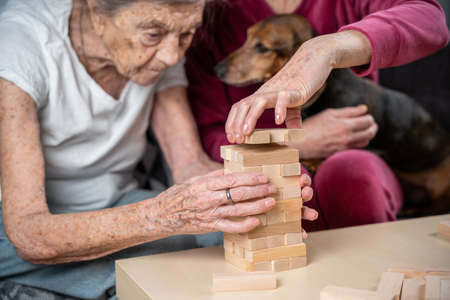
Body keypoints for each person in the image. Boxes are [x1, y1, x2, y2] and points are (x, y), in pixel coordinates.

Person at [0, 0, 315, 298]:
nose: (172, 57)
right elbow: (29, 235)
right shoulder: (19, 47)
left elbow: (189, 166)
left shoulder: (163, 43)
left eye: (187, 33)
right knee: (161, 276)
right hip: (19, 228)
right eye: (153, 34)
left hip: (117, 200)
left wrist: (261, 193)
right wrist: (164, 216)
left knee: (222, 234)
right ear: (96, 10)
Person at [186, 0, 450, 231]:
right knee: (280, 184)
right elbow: (208, 136)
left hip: (373, 159)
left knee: (353, 172)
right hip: (260, 159)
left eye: (260, 48)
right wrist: (297, 141)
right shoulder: (212, 12)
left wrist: (327, 49)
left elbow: (431, 19)